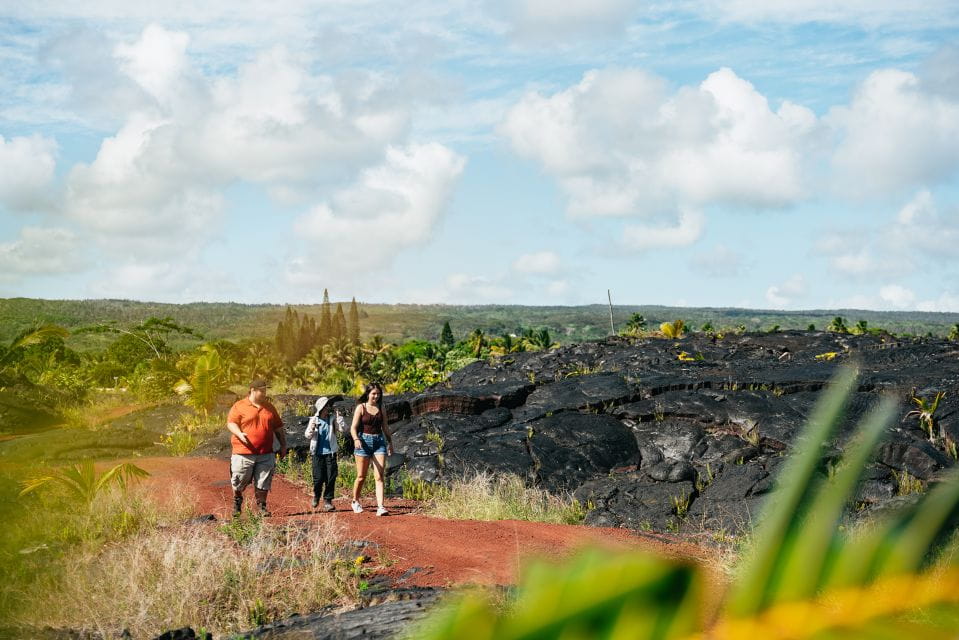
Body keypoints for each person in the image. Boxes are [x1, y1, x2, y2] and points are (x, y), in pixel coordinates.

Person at [226, 379, 287, 517]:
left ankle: (262, 507)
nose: (265, 393)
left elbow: (278, 427)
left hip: (265, 452)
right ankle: (237, 501)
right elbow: (231, 423)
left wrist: (283, 445)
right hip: (243, 452)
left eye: (265, 390)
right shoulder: (239, 406)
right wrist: (239, 434)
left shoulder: (270, 407)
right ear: (253, 390)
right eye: (262, 390)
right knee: (239, 480)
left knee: (264, 481)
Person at [350, 382, 394, 516]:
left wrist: (390, 442)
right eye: (373, 393)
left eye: (378, 394)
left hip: (379, 442)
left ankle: (380, 507)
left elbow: (385, 426)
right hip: (363, 442)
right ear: (368, 394)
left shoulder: (381, 407)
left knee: (379, 476)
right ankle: (355, 501)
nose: (376, 396)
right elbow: (353, 428)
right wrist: (356, 439)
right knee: (361, 476)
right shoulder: (361, 407)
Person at [304, 396, 346, 512]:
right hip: (317, 453)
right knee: (318, 478)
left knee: (331, 477)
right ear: (321, 408)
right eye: (326, 406)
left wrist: (340, 418)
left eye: (329, 406)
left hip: (330, 453)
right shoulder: (314, 420)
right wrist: (312, 429)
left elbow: (343, 430)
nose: (329, 408)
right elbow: (307, 435)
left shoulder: (332, 419)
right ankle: (317, 495)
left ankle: (328, 500)